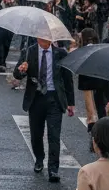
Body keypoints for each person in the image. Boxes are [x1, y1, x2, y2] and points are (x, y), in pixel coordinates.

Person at [14, 36, 75, 182]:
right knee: (36, 135)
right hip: (36, 98)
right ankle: (39, 158)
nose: (45, 40)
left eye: (48, 37)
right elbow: (16, 74)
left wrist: (70, 102)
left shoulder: (60, 53)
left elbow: (67, 79)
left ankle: (53, 169)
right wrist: (22, 70)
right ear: (37, 37)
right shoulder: (29, 52)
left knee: (54, 135)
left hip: (54, 98)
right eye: (42, 36)